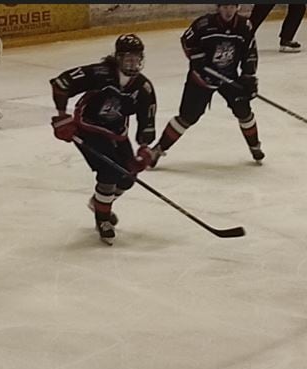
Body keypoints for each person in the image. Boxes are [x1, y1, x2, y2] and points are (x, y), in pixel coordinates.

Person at [49, 34, 158, 245]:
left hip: (116, 132)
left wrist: (145, 148)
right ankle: (103, 219)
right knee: (109, 171)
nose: (133, 64)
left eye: (137, 59)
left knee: (127, 177)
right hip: (87, 128)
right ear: (117, 58)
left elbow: (147, 118)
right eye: (128, 59)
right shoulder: (99, 73)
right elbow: (62, 83)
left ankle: (99, 203)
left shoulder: (143, 87)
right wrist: (62, 116)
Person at [150, 4, 263, 167]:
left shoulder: (244, 26)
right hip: (201, 78)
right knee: (188, 117)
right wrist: (196, 56)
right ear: (218, 7)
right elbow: (187, 41)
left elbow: (250, 51)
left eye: (232, 6)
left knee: (243, 111)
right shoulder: (203, 24)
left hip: (228, 77)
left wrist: (248, 76)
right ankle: (158, 149)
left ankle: (254, 146)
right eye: (225, 7)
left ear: (237, 7)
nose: (228, 11)